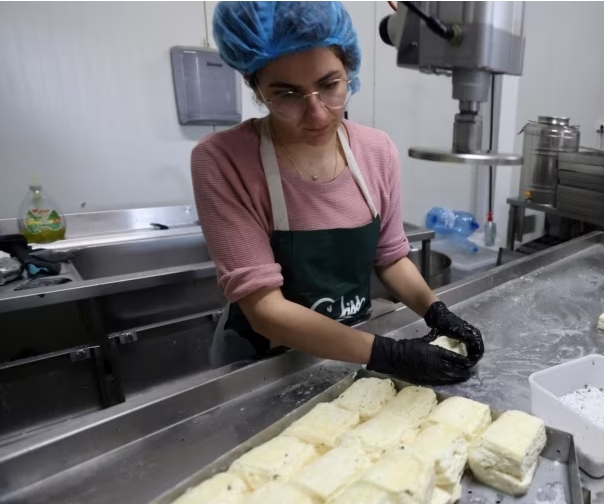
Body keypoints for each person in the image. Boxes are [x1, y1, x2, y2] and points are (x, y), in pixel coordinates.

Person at [192, 2, 483, 384]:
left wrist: (436, 311)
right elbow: (264, 308)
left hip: (350, 350)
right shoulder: (223, 160)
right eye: (287, 95)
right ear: (256, 86)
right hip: (261, 367)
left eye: (330, 86)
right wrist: (388, 353)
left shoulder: (376, 150)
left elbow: (391, 257)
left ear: (350, 70)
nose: (317, 114)